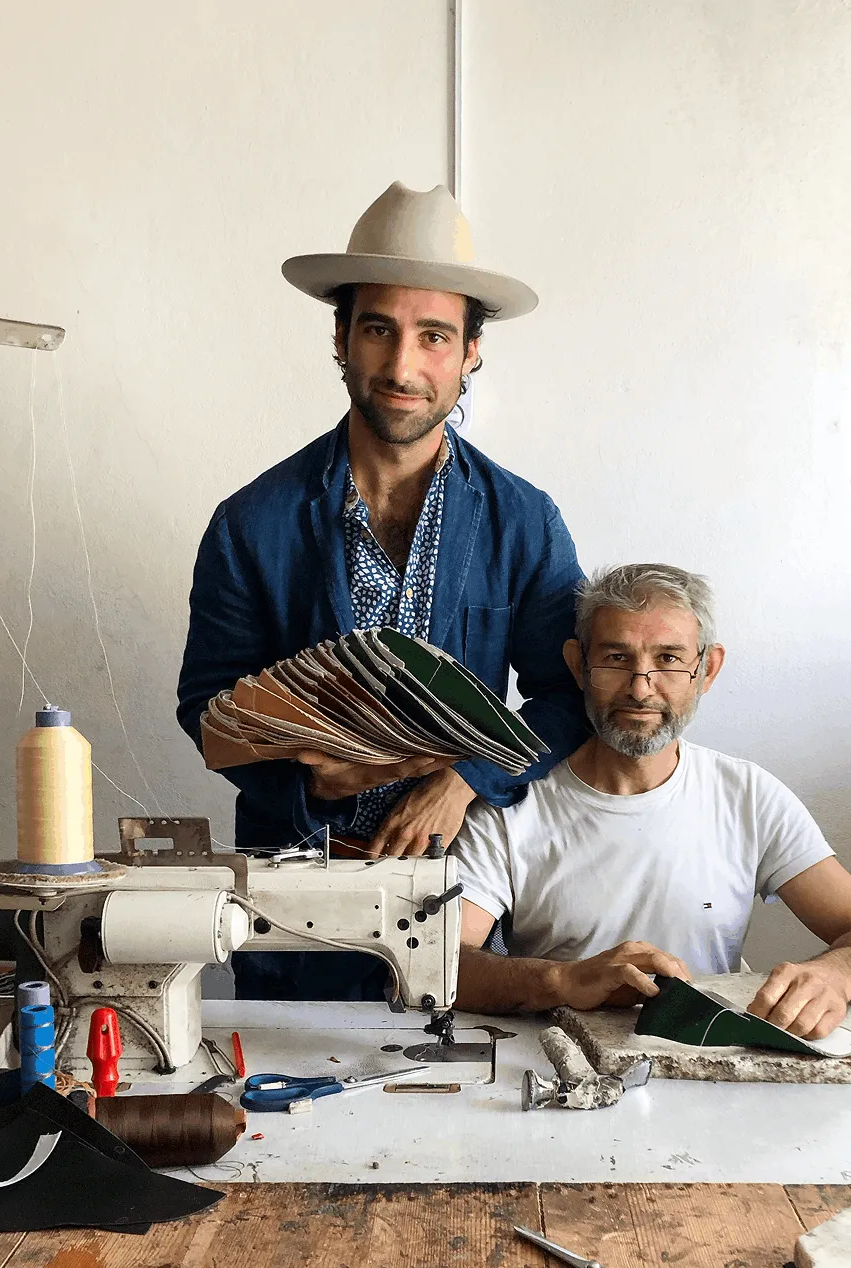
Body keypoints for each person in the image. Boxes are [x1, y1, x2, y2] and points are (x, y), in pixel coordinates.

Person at [175, 182, 591, 1001]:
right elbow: (206, 706)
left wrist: (467, 777)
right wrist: (305, 783)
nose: (403, 366)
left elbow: (567, 696)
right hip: (294, 898)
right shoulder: (249, 524)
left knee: (465, 1110)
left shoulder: (523, 522)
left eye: (434, 336)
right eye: (379, 329)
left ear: (472, 351)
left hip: (462, 899)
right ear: (340, 338)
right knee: (291, 1120)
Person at [452, 564, 851, 1040]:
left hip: (715, 1075)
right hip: (556, 1075)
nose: (640, 687)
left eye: (669, 659)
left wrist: (836, 976)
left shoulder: (748, 796)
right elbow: (444, 965)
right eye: (617, 658)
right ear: (578, 665)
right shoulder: (510, 806)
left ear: (707, 669)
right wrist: (563, 980)